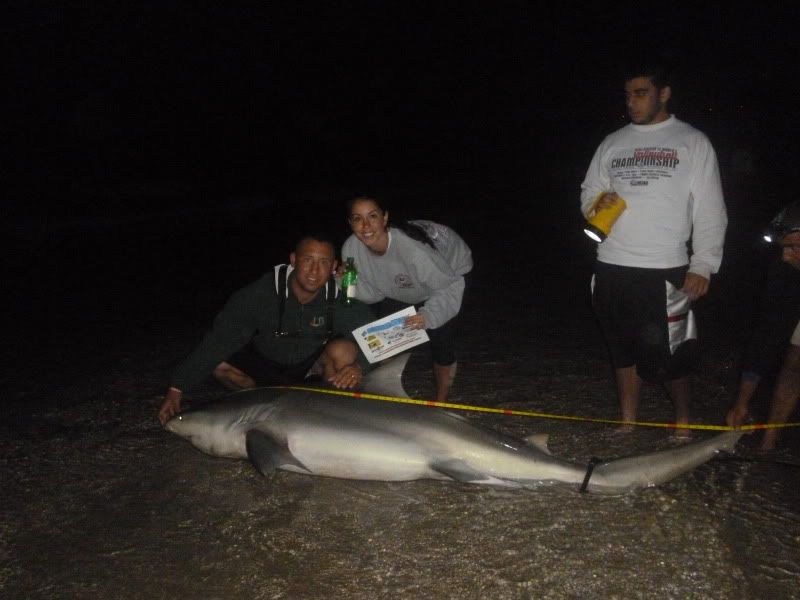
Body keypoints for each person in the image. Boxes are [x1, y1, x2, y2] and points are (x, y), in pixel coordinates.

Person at [580, 64, 727, 437]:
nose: (631, 102)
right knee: (622, 349)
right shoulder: (613, 142)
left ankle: (683, 423)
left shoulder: (691, 141)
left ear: (664, 94)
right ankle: (628, 420)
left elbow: (711, 208)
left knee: (672, 354)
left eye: (641, 93)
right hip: (611, 265)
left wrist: (703, 264)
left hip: (664, 267)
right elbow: (589, 191)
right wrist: (597, 203)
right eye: (628, 94)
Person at [158, 235, 375, 425]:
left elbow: (377, 337)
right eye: (308, 260)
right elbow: (219, 340)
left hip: (309, 370)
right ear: (293, 260)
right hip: (264, 367)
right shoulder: (260, 294)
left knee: (345, 351)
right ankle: (258, 403)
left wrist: (359, 367)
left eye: (323, 262)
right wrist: (177, 388)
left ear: (333, 266)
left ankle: (329, 409)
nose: (314, 271)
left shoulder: (340, 299)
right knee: (220, 364)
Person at [342, 195, 472, 402]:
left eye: (372, 216)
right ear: (350, 223)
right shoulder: (350, 250)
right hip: (405, 283)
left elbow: (450, 286)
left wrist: (429, 316)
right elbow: (375, 292)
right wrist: (345, 282)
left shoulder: (414, 250)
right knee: (384, 339)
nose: (365, 226)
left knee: (441, 339)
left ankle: (441, 400)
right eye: (358, 218)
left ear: (385, 218)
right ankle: (387, 391)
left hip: (449, 272)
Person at [727, 202, 800, 451]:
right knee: (794, 363)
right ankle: (769, 440)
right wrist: (742, 402)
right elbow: (767, 335)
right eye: (783, 247)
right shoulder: (785, 269)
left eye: (794, 247)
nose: (786, 256)